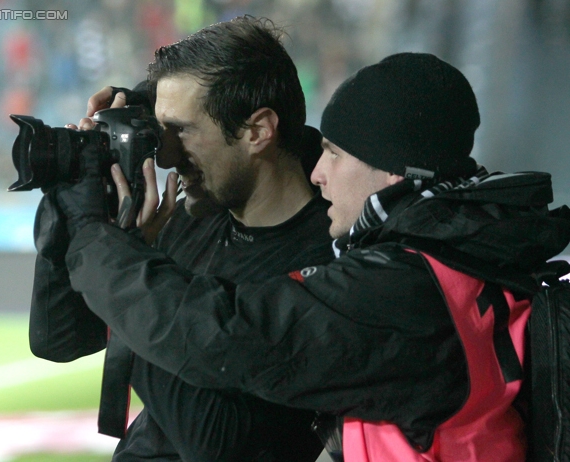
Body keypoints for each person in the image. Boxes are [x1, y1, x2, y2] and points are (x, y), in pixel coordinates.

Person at [49, 52, 570, 461]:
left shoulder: (403, 292)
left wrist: (95, 233)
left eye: (336, 154)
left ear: (392, 173)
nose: (319, 172)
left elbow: (224, 333)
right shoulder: (463, 262)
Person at [30, 16, 334, 462]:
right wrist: (75, 202)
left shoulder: (324, 260)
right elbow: (59, 339)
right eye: (161, 130)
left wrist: (126, 260)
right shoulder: (198, 217)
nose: (167, 155)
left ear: (258, 131)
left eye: (182, 131)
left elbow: (216, 443)